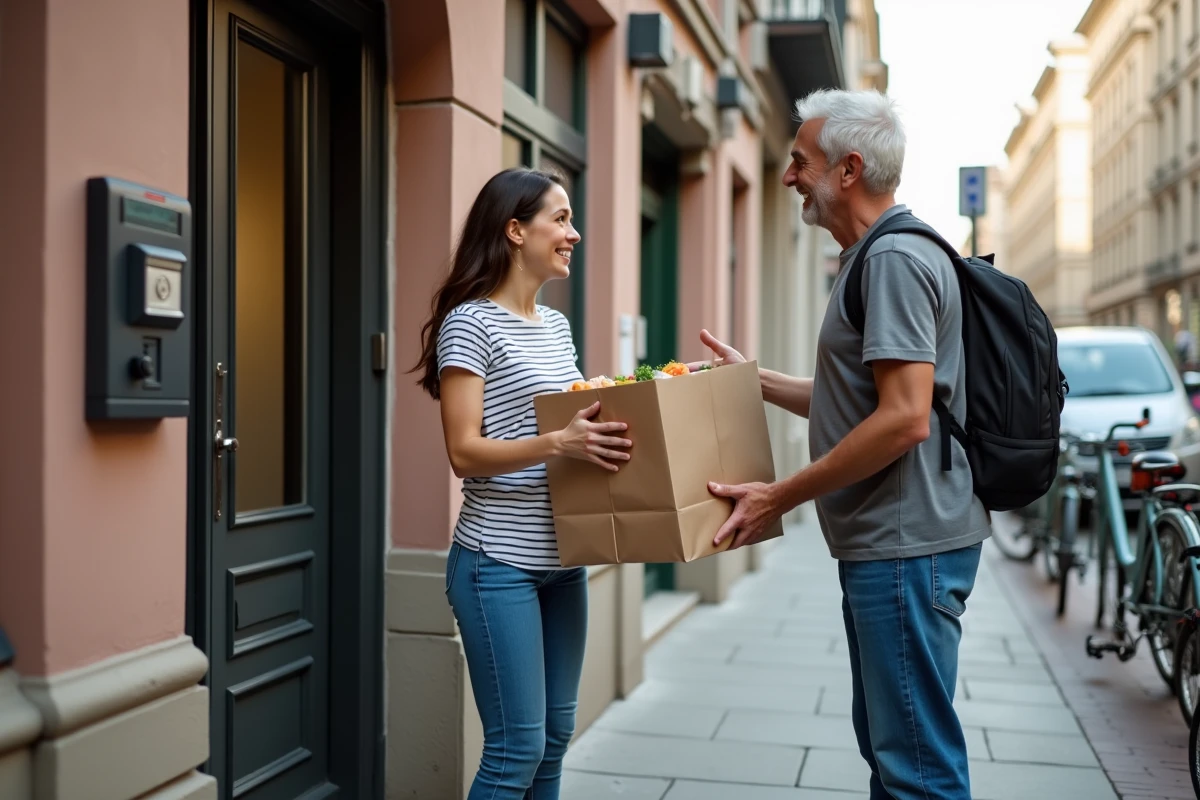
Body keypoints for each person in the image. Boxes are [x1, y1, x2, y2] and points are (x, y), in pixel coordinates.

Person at [695, 89, 989, 799]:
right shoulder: (874, 256)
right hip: (895, 544)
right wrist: (752, 378)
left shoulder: (890, 262)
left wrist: (781, 496)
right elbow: (855, 402)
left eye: (800, 161)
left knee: (916, 767)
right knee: (894, 752)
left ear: (849, 169)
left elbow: (904, 419)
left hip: (904, 546)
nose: (789, 175)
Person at [412, 167, 633, 799]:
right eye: (560, 219)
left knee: (556, 738)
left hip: (565, 559)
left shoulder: (556, 326)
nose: (575, 233)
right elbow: (464, 451)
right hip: (496, 564)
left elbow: (576, 424)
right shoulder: (470, 324)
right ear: (514, 230)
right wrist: (558, 443)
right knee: (516, 750)